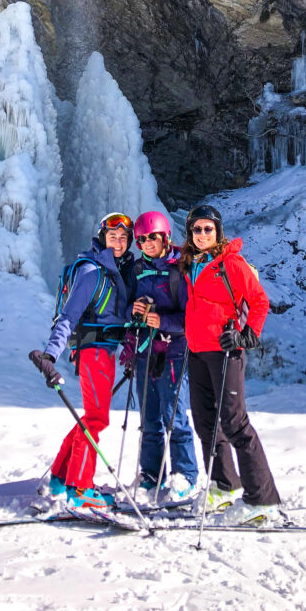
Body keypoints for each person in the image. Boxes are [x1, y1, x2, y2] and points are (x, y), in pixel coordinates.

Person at [179, 203, 281, 523]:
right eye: (197, 229)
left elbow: (260, 301)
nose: (202, 234)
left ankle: (262, 499)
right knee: (205, 422)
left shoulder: (230, 263)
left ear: (218, 232)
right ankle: (224, 485)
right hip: (197, 353)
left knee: (235, 423)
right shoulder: (192, 264)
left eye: (208, 228)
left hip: (226, 352)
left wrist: (246, 335)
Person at [29, 212, 134, 509]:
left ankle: (62, 476)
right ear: (102, 238)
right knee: (97, 419)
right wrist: (50, 355)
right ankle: (80, 487)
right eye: (112, 237)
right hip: (94, 351)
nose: (118, 242)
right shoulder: (92, 271)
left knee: (90, 417)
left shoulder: (112, 270)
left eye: (123, 238)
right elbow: (69, 316)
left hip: (105, 351)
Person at [122, 211, 199, 499]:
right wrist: (135, 310)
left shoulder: (180, 269)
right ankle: (151, 475)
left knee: (174, 416)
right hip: (144, 351)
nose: (146, 243)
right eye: (141, 239)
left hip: (174, 351)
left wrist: (161, 321)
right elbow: (127, 303)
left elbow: (190, 317)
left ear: (165, 236)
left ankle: (185, 476)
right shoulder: (138, 269)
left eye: (151, 237)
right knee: (149, 417)